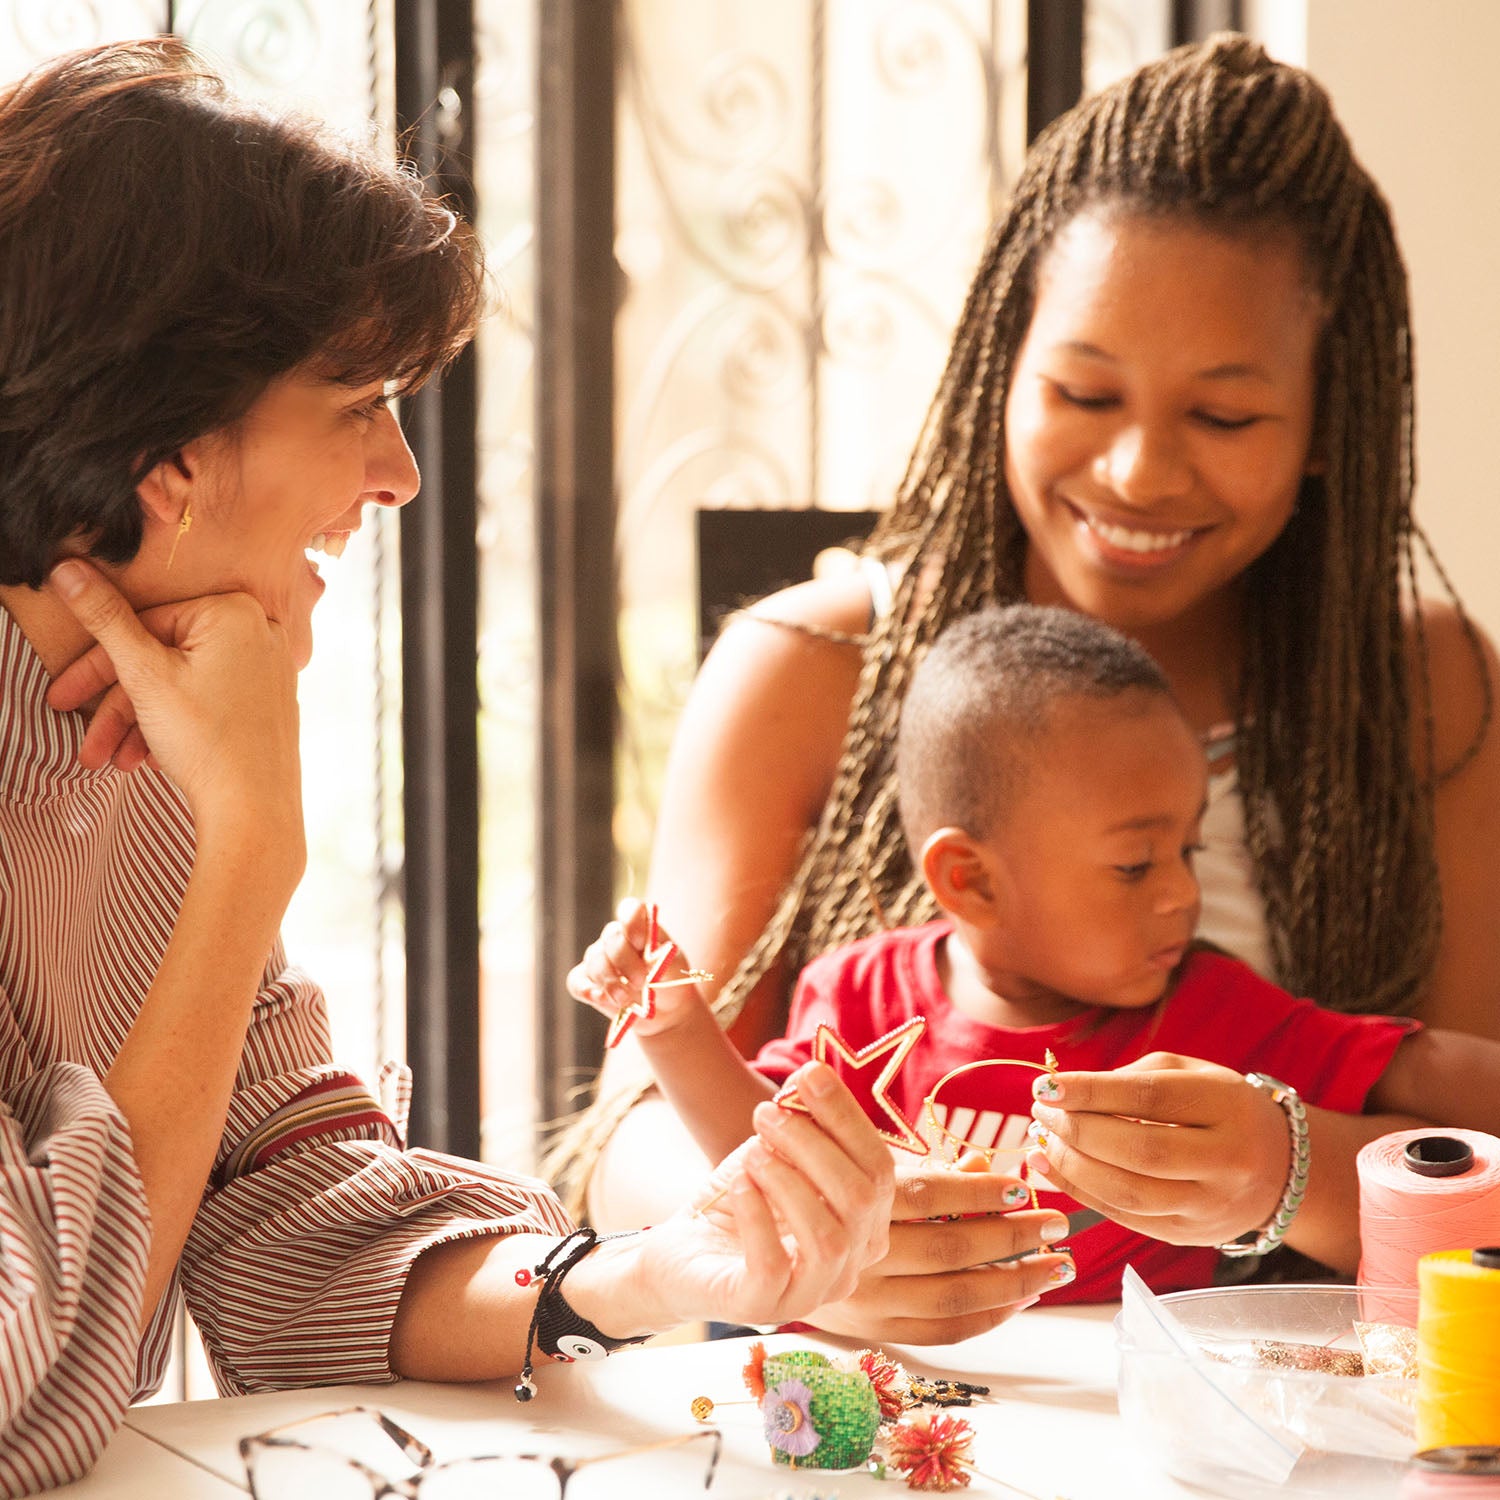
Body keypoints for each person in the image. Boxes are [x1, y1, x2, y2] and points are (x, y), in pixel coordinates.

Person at [0, 40, 895, 1493]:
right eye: (358, 402)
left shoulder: (157, 737)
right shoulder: (203, 783)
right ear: (170, 451)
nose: (402, 475)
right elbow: (30, 1387)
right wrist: (252, 858)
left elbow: (292, 1217)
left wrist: (645, 1273)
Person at [556, 32, 1500, 1342]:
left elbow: (1478, 1166)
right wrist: (810, 1240)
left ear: (1328, 420)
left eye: (1224, 418)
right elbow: (633, 1143)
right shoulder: (806, 668)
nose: (1138, 471)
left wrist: (1291, 1171)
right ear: (1001, 364)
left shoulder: (1419, 688)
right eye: (1083, 391)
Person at [572, 604, 1500, 1301]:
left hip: (1115, 1413)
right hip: (884, 1408)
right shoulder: (854, 996)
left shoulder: (1215, 1010)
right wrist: (676, 1029)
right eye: (1136, 865)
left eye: (1189, 850)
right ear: (971, 881)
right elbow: (760, 1161)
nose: (1183, 895)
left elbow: (1434, 1074)